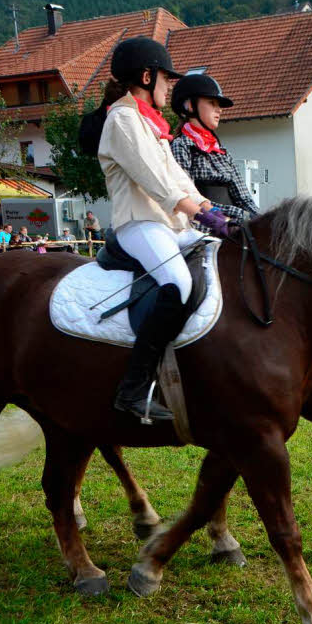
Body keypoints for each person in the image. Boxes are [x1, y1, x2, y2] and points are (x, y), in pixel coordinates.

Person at [95, 36, 231, 421]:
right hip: (139, 224)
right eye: (165, 79)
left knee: (220, 258)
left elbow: (179, 178)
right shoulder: (122, 119)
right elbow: (155, 181)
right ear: (145, 76)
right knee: (178, 283)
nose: (169, 86)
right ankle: (133, 391)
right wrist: (200, 214)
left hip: (169, 224)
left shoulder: (151, 125)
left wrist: (211, 211)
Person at [169, 74, 258, 219]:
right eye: (212, 103)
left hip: (234, 224)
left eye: (219, 105)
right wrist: (238, 214)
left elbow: (243, 197)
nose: (219, 110)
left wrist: (259, 218)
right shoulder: (181, 146)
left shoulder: (222, 152)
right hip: (203, 223)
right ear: (190, 106)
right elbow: (190, 197)